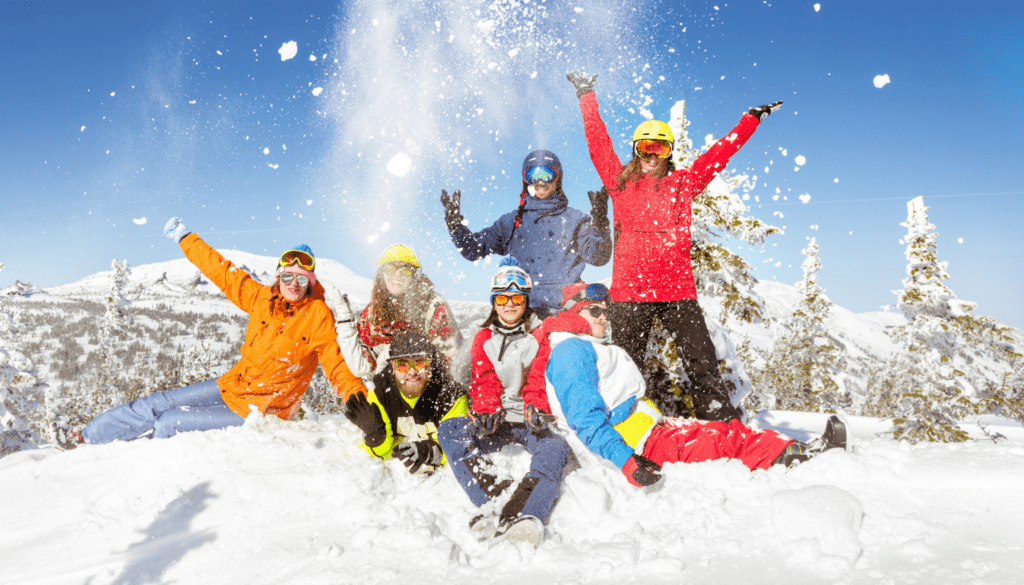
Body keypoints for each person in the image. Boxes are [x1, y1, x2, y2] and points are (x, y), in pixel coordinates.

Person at [566, 71, 784, 422]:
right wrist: (586, 95)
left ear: (669, 152)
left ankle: (718, 421)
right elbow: (598, 144)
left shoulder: (683, 183)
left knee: (702, 361)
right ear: (636, 151)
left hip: (676, 291)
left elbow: (719, 154)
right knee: (626, 364)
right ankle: (622, 424)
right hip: (631, 294)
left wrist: (750, 120)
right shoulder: (619, 183)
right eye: (645, 148)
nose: (652, 155)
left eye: (660, 148)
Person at [47, 217, 367, 450]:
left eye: (301, 278)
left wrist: (362, 405)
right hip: (232, 385)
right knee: (159, 403)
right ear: (278, 276)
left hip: (263, 409)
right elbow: (219, 269)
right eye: (288, 276)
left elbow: (338, 367)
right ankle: (83, 437)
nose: (293, 284)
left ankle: (144, 470)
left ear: (311, 282)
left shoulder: (317, 315)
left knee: (170, 422)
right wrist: (186, 238)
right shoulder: (260, 297)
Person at [526, 281, 847, 487]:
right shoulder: (571, 352)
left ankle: (789, 448)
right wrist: (625, 461)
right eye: (594, 311)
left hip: (648, 431)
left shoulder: (584, 345)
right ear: (572, 313)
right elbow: (586, 419)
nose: (603, 318)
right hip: (636, 447)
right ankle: (795, 457)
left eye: (605, 312)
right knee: (722, 444)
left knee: (723, 431)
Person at [437, 258, 572, 547]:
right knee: (450, 430)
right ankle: (495, 497)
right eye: (501, 298)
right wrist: (487, 410)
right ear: (493, 302)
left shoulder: (540, 334)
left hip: (529, 419)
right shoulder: (483, 337)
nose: (509, 304)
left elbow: (538, 377)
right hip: (498, 420)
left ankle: (523, 512)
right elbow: (484, 378)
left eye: (516, 298)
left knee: (556, 448)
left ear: (525, 301)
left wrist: (535, 407)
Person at [440, 150, 612, 318]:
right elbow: (473, 250)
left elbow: (598, 258)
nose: (540, 182)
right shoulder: (510, 223)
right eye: (532, 175)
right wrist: (456, 227)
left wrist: (599, 226)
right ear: (525, 181)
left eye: (547, 174)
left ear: (558, 178)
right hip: (522, 313)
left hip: (566, 312)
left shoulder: (575, 219)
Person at [325, 244, 465, 381]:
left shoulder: (433, 306)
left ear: (415, 275)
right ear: (382, 273)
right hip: (390, 393)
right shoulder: (373, 311)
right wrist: (345, 318)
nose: (397, 275)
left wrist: (397, 357)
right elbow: (361, 366)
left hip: (427, 389)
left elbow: (450, 362)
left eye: (406, 270)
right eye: (390, 268)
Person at [343, 329, 467, 475]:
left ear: (430, 364)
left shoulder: (451, 395)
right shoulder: (381, 393)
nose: (413, 372)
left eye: (420, 364)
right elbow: (382, 454)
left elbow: (461, 448)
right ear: (393, 367)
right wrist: (376, 436)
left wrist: (432, 453)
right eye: (403, 365)